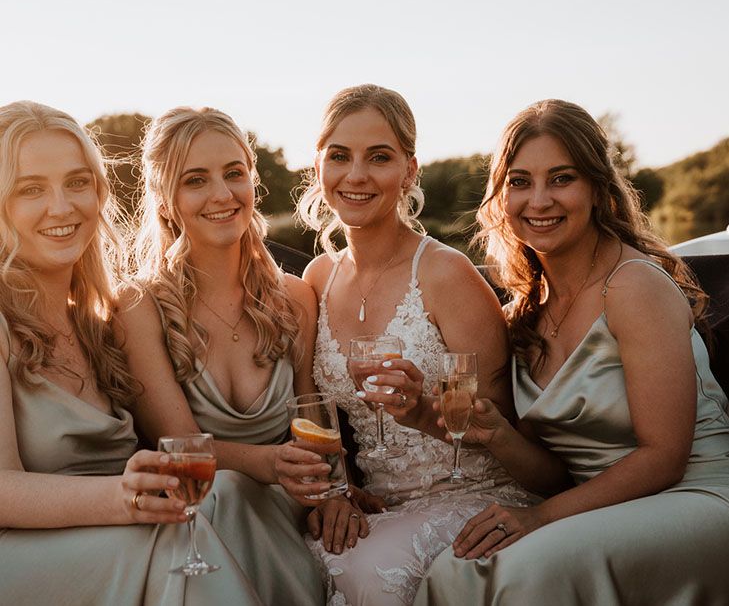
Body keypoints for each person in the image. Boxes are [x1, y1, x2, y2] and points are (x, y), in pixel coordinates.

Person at [415, 99, 729, 605]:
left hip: (694, 495)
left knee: (530, 572)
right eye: (520, 181)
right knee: (457, 569)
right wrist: (497, 434)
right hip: (594, 506)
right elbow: (556, 472)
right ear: (500, 197)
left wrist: (539, 517)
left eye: (561, 178)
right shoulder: (526, 312)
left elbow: (665, 458)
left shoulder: (633, 287)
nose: (539, 200)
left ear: (598, 190)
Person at [0, 100, 273, 605]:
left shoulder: (99, 321)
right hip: (20, 554)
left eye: (78, 182)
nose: (62, 207)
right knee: (171, 545)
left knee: (219, 501)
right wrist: (123, 498)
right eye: (31, 189)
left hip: (117, 534)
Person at [289, 84, 533, 605]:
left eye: (379, 157)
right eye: (340, 156)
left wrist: (424, 409)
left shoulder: (447, 275)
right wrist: (336, 492)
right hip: (376, 504)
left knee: (369, 572)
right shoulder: (317, 277)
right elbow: (316, 417)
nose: (356, 175)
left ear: (410, 171)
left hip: (471, 493)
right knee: (297, 556)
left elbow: (507, 430)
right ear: (318, 166)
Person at [115, 106, 325, 605]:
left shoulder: (295, 298)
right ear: (166, 201)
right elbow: (181, 445)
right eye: (195, 180)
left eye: (234, 174)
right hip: (202, 510)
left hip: (287, 501)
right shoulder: (139, 306)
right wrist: (269, 462)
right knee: (226, 491)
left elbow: (312, 421)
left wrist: (332, 493)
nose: (222, 194)